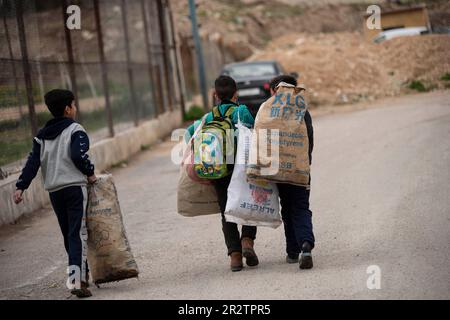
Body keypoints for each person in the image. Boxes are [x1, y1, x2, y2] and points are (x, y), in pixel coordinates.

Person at [13, 89, 97, 297]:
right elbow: (79, 156)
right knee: (77, 233)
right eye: (74, 105)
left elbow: (33, 162)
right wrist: (91, 173)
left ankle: (80, 275)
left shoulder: (42, 135)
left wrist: (21, 185)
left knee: (69, 234)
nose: (75, 108)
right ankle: (77, 280)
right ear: (68, 109)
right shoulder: (76, 129)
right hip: (74, 188)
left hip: (55, 191)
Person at [186, 75, 258, 272]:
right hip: (241, 168)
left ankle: (235, 256)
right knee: (248, 203)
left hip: (218, 170)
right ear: (236, 94)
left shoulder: (208, 117)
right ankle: (247, 242)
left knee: (226, 211)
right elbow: (254, 130)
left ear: (215, 95)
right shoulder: (241, 111)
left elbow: (188, 136)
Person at [268, 75, 315, 269]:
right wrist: (306, 162)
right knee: (301, 207)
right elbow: (309, 141)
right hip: (301, 169)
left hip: (279, 172)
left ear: (276, 91)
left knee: (287, 208)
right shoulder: (302, 110)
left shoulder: (268, 110)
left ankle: (292, 252)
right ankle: (305, 245)